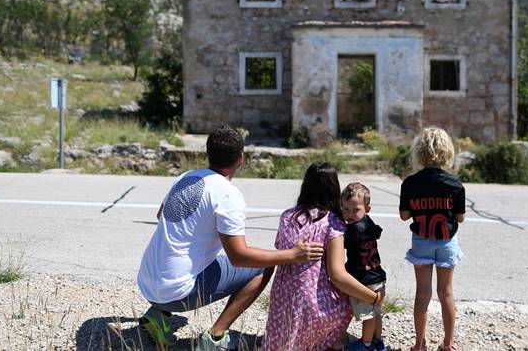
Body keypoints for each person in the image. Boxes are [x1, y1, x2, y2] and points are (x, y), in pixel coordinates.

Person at [136, 125, 324, 350]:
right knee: (263, 266)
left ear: (207, 155)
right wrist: (293, 255)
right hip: (176, 293)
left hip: (147, 284)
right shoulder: (227, 194)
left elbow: (161, 215)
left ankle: (158, 315)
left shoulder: (186, 177)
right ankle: (215, 337)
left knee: (194, 257)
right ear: (240, 159)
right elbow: (239, 257)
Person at [262, 163, 385, 351]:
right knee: (348, 301)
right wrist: (373, 298)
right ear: (334, 189)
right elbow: (337, 275)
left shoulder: (287, 216)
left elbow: (279, 247)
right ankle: (336, 342)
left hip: (282, 298)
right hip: (313, 303)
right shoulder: (333, 222)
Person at [399, 127, 466, 351]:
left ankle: (419, 344)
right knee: (446, 292)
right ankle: (448, 344)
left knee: (423, 292)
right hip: (447, 240)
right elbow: (460, 217)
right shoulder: (455, 184)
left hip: (421, 239)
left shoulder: (410, 183)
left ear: (419, 151)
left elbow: (404, 216)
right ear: (447, 151)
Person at [341, 182, 387, 351]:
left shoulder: (352, 230)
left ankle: (366, 344)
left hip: (364, 280)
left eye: (355, 210)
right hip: (378, 276)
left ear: (367, 209)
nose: (349, 214)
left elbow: (340, 245)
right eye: (345, 209)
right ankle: (377, 341)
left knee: (368, 315)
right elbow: (377, 232)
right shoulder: (368, 222)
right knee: (376, 312)